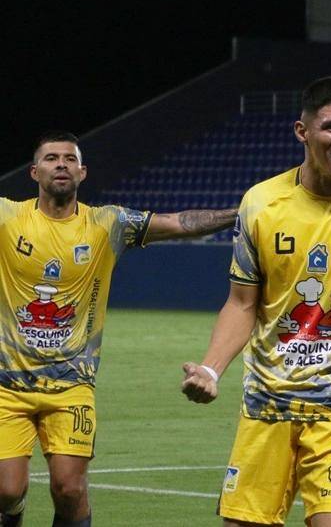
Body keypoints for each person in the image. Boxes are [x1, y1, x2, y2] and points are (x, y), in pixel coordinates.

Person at [180, 77, 331, 527]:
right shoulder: (261, 203)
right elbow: (242, 304)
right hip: (268, 406)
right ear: (302, 131)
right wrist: (211, 369)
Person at [0, 131, 236, 527]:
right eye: (52, 158)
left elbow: (180, 224)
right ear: (34, 171)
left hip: (72, 385)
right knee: (7, 490)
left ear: (83, 172)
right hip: (7, 384)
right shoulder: (7, 216)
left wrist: (243, 213)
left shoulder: (108, 223)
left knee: (69, 489)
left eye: (70, 159)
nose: (62, 164)